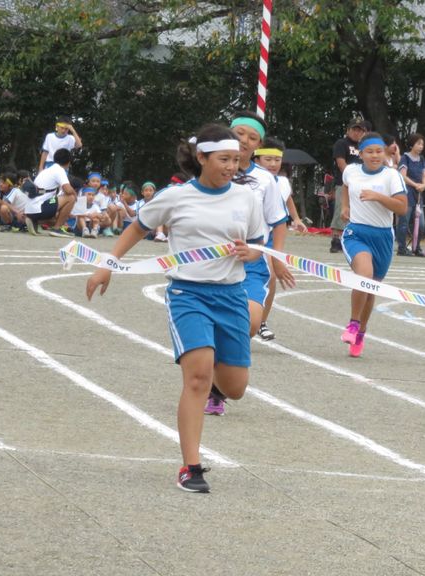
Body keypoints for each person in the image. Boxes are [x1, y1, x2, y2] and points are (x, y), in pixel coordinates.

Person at [86, 124, 264, 493]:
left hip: (231, 296)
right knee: (197, 377)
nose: (232, 166)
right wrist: (108, 264)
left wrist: (252, 253)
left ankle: (218, 378)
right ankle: (191, 466)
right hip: (188, 294)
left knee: (235, 388)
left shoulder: (247, 198)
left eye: (236, 159)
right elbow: (138, 228)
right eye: (224, 159)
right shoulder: (175, 197)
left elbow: (259, 244)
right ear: (201, 158)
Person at [203, 111, 294, 415]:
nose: (244, 140)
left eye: (252, 137)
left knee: (251, 323)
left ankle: (217, 386)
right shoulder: (207, 169)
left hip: (252, 263)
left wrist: (276, 258)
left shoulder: (265, 180)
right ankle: (209, 385)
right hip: (215, 263)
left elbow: (278, 222)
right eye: (239, 132)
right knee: (214, 326)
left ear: (258, 146)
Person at [339, 132, 408, 357]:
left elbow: (401, 208)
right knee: (364, 276)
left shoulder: (391, 176)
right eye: (369, 151)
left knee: (370, 290)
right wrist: (345, 206)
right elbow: (346, 186)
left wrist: (378, 197)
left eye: (379, 151)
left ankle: (361, 331)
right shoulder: (351, 171)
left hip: (383, 238)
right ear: (361, 154)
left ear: (386, 152)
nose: (375, 155)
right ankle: (352, 324)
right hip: (356, 232)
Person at [253, 137, 305, 341]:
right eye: (268, 159)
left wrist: (297, 218)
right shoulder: (248, 179)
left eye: (277, 160)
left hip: (272, 235)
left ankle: (262, 321)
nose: (273, 164)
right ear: (257, 159)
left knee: (271, 277)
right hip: (252, 235)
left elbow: (288, 199)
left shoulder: (282, 182)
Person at [330, 118, 367, 252]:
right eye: (354, 129)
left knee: (357, 212)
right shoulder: (342, 143)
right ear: (348, 130)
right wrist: (351, 178)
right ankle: (335, 239)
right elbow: (341, 163)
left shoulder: (365, 147)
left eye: (360, 130)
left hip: (361, 184)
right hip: (344, 182)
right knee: (341, 209)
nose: (357, 133)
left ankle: (350, 239)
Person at [27, 147, 77, 237]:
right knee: (71, 198)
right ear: (68, 162)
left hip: (31, 209)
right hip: (41, 207)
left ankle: (34, 221)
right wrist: (75, 195)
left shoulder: (46, 170)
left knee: (58, 216)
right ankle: (57, 229)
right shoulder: (60, 170)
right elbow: (68, 190)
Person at [396, 133, 425, 256]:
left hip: (419, 193)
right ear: (412, 144)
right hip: (407, 192)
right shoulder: (405, 158)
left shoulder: (422, 159)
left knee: (421, 223)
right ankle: (402, 248)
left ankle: (416, 247)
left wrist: (424, 185)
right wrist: (416, 185)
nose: (421, 146)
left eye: (422, 144)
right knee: (404, 221)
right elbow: (402, 176)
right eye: (418, 143)